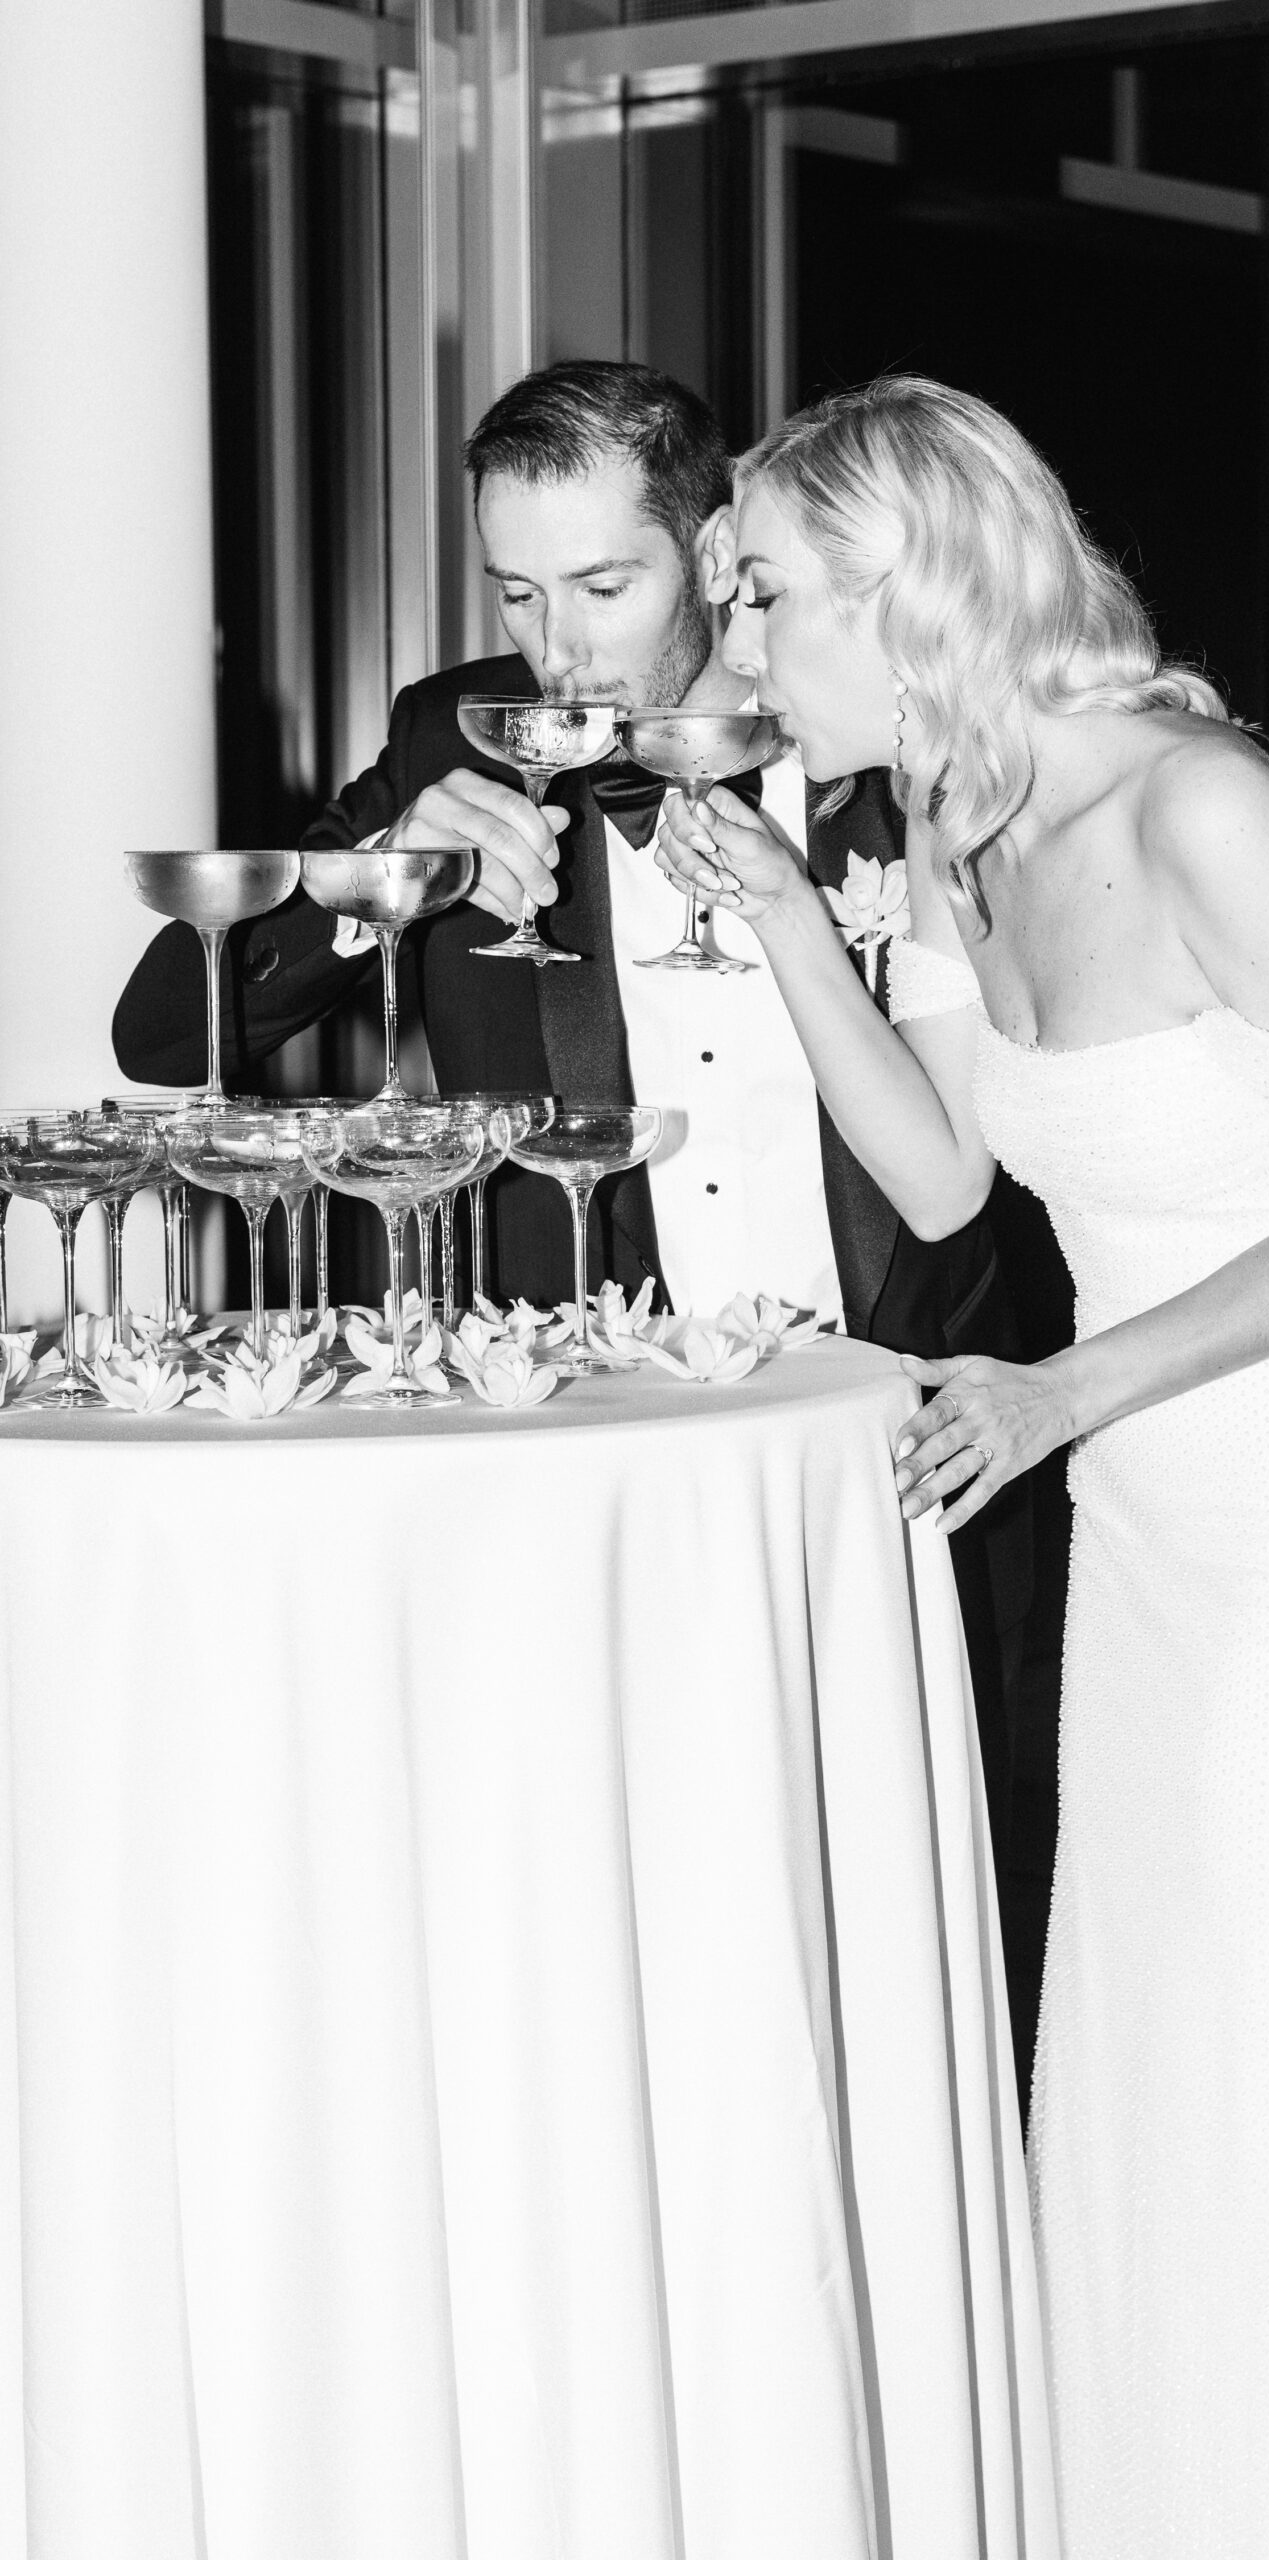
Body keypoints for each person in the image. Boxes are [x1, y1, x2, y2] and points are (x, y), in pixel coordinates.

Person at [656, 376, 1269, 2558]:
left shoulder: (1203, 807)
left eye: (765, 599)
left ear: (908, 582)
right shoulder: (966, 836)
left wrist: (1064, 1395)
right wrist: (787, 914)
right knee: (1160, 2071)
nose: (737, 662)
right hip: (1163, 1533)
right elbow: (954, 1178)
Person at [110, 358, 1032, 1850]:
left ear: (721, 549)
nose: (558, 650)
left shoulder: (884, 729)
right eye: (518, 596)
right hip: (594, 1458)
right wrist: (382, 884)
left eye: (602, 585)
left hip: (897, 1442)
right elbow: (167, 1031)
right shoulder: (456, 739)